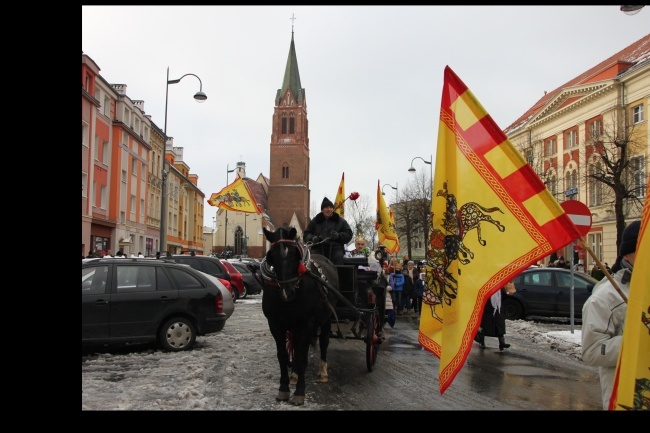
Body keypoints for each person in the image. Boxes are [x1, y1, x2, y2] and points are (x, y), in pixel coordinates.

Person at [581, 220, 640, 410]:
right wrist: (638, 341)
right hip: (627, 398)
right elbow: (592, 351)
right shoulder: (606, 296)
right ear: (630, 251)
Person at [304, 197, 353, 265]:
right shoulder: (315, 221)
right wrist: (313, 238)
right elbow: (306, 234)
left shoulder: (340, 221)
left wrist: (338, 236)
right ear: (322, 210)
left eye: (330, 207)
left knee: (338, 257)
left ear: (333, 209)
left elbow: (349, 234)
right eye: (326, 207)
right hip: (318, 248)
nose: (329, 209)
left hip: (335, 249)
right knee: (313, 259)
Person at [475, 282, 516, 351]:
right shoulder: (486, 285)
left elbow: (507, 294)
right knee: (485, 326)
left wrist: (510, 291)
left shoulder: (501, 287)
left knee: (500, 325)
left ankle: (502, 343)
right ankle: (481, 341)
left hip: (498, 309)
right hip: (487, 309)